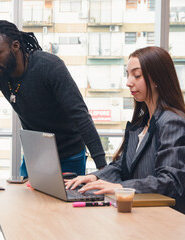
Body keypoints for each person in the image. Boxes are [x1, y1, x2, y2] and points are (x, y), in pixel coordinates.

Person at [0, 20, 106, 176]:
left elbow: (80, 115)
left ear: (15, 46)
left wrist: (103, 169)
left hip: (69, 154)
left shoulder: (49, 67)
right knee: (25, 204)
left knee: (64, 207)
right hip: (36, 155)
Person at [65, 46, 185, 214]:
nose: (129, 82)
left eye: (137, 75)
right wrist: (94, 177)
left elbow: (171, 182)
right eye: (128, 75)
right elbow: (122, 165)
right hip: (137, 212)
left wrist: (120, 187)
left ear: (157, 78)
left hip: (161, 217)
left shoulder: (172, 122)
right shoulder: (142, 123)